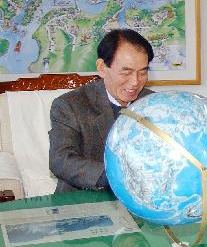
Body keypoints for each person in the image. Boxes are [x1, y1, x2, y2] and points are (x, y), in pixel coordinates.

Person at [49, 29, 154, 193]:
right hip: (85, 202)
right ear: (102, 67)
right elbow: (60, 160)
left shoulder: (154, 104)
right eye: (126, 72)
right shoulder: (70, 105)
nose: (135, 82)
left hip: (144, 202)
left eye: (143, 72)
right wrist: (115, 176)